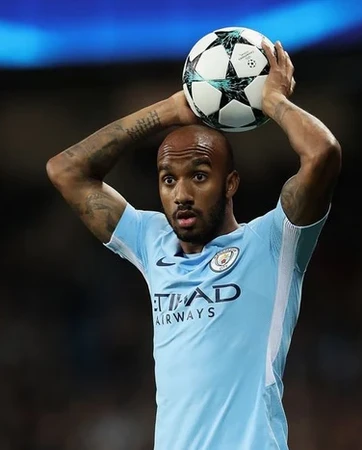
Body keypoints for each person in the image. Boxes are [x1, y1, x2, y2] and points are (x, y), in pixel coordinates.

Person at [47, 40, 341, 450]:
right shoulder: (152, 242)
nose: (181, 194)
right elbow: (65, 170)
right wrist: (168, 111)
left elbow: (323, 153)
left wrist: (272, 100)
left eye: (199, 176)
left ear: (230, 183)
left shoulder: (274, 242)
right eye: (169, 179)